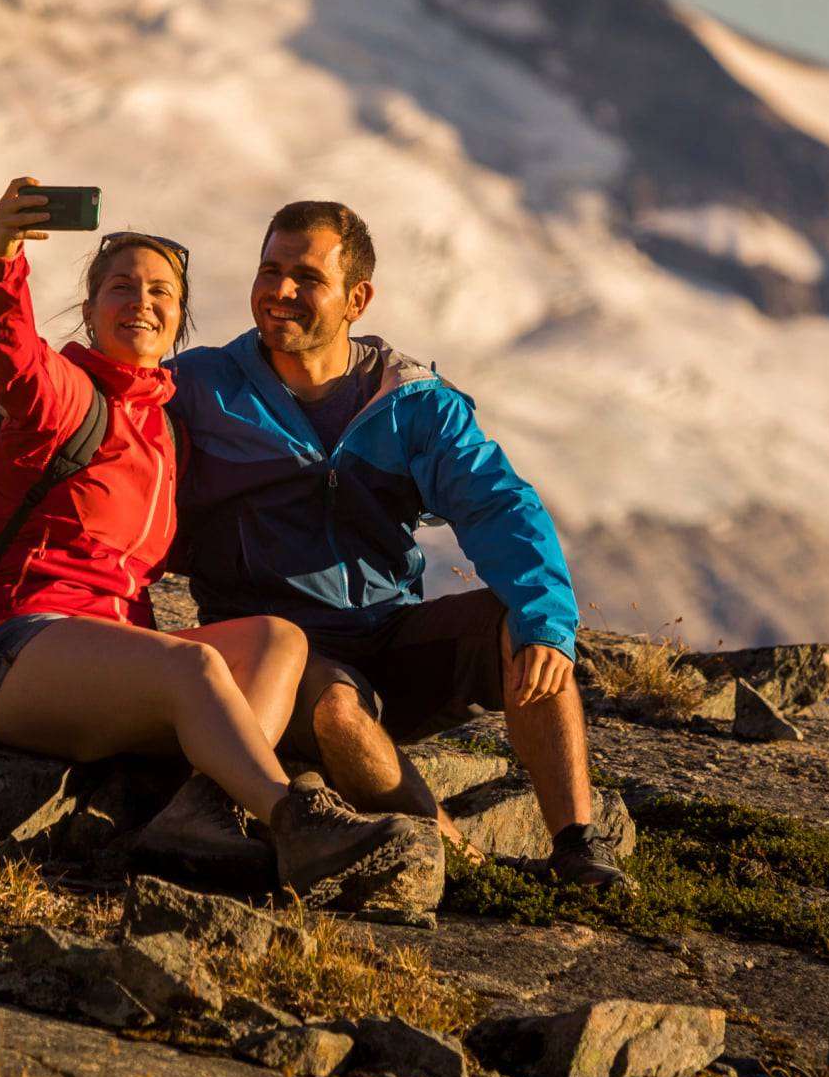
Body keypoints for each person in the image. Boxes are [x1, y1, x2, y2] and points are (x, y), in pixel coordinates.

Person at [0, 176, 434, 901]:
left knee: (279, 641)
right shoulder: (64, 396)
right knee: (193, 672)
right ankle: (294, 821)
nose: (140, 302)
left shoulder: (170, 432)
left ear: (180, 322)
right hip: (12, 652)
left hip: (113, 668)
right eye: (121, 287)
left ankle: (205, 816)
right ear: (89, 310)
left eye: (160, 293)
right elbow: (13, 352)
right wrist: (3, 255)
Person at [168, 199, 626, 891]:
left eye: (305, 277)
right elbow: (93, 415)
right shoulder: (202, 386)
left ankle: (578, 847)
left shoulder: (410, 401)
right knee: (337, 707)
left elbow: (499, 504)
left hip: (390, 637)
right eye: (270, 269)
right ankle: (461, 867)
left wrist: (546, 624)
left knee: (523, 624)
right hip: (277, 655)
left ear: (358, 298)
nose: (280, 291)